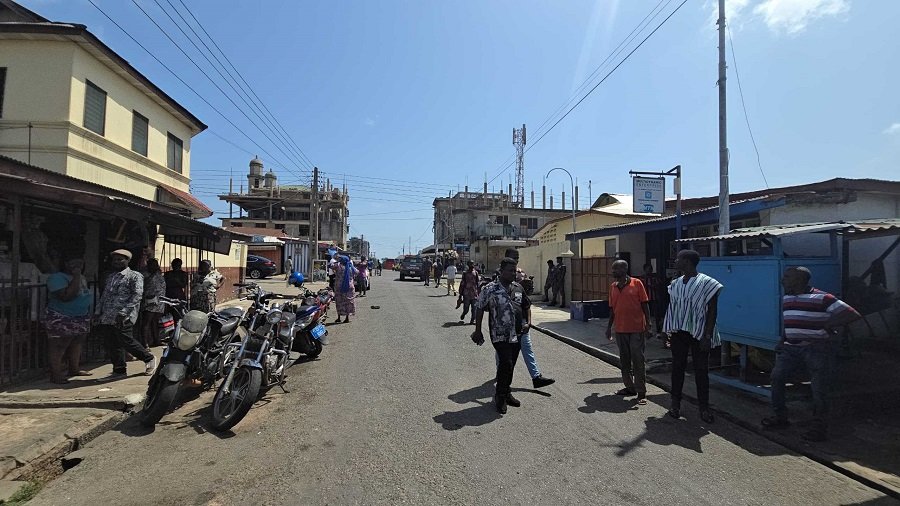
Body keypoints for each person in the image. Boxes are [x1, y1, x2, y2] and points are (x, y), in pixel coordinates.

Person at [761, 267, 860, 442]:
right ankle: (781, 417)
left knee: (819, 388)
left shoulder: (823, 298)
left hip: (817, 348)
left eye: (787, 277)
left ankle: (819, 428)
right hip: (790, 348)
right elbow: (790, 321)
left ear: (799, 280)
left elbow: (851, 314)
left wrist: (827, 325)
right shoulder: (788, 297)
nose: (783, 280)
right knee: (777, 378)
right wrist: (783, 340)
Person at [663, 249, 722, 423]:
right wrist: (666, 331)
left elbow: (712, 311)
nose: (675, 261)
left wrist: (707, 335)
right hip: (679, 332)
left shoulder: (707, 283)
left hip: (699, 333)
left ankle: (704, 408)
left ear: (687, 262)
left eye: (678, 259)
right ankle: (675, 404)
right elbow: (672, 308)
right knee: (677, 368)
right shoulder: (675, 284)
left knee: (701, 371)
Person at [472, 257, 529, 414]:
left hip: (517, 334)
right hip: (499, 334)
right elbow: (479, 307)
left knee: (510, 365)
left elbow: (526, 306)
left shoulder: (518, 287)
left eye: (515, 271)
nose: (513, 273)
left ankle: (506, 391)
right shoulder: (490, 289)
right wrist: (478, 330)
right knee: (506, 363)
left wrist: (527, 323)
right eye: (510, 270)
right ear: (501, 271)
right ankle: (500, 396)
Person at [500, 248, 555, 389]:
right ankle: (502, 378)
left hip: (521, 320)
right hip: (504, 323)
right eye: (514, 257)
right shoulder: (500, 273)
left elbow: (526, 298)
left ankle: (536, 377)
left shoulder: (522, 273)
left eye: (518, 257)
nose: (517, 260)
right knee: (503, 353)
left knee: (527, 348)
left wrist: (527, 286)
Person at [94, 249, 156, 377]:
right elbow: (104, 295)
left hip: (123, 315)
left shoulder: (135, 275)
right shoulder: (111, 277)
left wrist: (125, 311)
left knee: (126, 340)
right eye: (115, 259)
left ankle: (148, 358)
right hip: (107, 315)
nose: (116, 262)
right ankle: (119, 369)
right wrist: (97, 312)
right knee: (112, 343)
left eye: (120, 259)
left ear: (127, 260)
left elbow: (137, 295)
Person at [606, 260, 651, 405]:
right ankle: (629, 387)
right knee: (624, 360)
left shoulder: (637, 283)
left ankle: (641, 392)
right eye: (613, 269)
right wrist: (608, 327)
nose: (613, 272)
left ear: (624, 269)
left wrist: (648, 324)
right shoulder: (613, 287)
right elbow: (612, 309)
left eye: (616, 269)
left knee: (638, 360)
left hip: (637, 329)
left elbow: (645, 304)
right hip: (620, 329)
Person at [45, 256, 93, 384]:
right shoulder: (57, 278)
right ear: (66, 263)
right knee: (59, 346)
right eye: (74, 262)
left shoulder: (81, 278)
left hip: (80, 316)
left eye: (80, 262)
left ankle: (74, 368)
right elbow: (66, 296)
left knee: (77, 343)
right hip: (62, 316)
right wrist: (76, 275)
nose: (78, 265)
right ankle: (56, 374)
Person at [141, 258, 166, 348]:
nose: (154, 266)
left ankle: (156, 340)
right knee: (146, 322)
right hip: (150, 300)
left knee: (155, 321)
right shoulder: (145, 274)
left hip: (159, 301)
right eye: (152, 265)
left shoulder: (158, 274)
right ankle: (145, 343)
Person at [640, 262, 665, 340]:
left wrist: (654, 286)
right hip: (644, 300)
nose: (650, 271)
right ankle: (644, 330)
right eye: (648, 269)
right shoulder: (642, 278)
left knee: (657, 315)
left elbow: (659, 286)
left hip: (654, 299)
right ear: (644, 270)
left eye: (651, 269)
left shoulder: (655, 278)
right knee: (644, 315)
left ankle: (658, 331)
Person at [333, 255, 357, 323]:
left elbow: (330, 265)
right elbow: (357, 272)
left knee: (339, 301)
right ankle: (347, 318)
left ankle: (339, 317)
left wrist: (337, 261)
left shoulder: (338, 266)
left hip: (339, 287)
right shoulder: (350, 267)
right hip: (349, 287)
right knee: (348, 302)